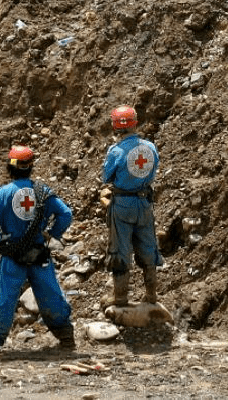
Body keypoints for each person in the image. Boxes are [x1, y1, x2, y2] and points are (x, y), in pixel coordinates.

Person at [0, 145, 75, 351]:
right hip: (39, 253)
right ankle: (66, 336)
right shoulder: (42, 191)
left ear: (10, 168)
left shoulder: (4, 193)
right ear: (31, 168)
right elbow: (66, 214)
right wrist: (53, 234)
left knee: (6, 298)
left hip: (13, 255)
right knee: (51, 294)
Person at [102, 105, 162, 306]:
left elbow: (106, 177)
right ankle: (151, 295)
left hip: (122, 205)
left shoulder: (116, 151)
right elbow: (154, 170)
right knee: (147, 245)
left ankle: (120, 298)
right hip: (144, 203)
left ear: (115, 126)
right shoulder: (150, 147)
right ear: (135, 122)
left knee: (120, 248)